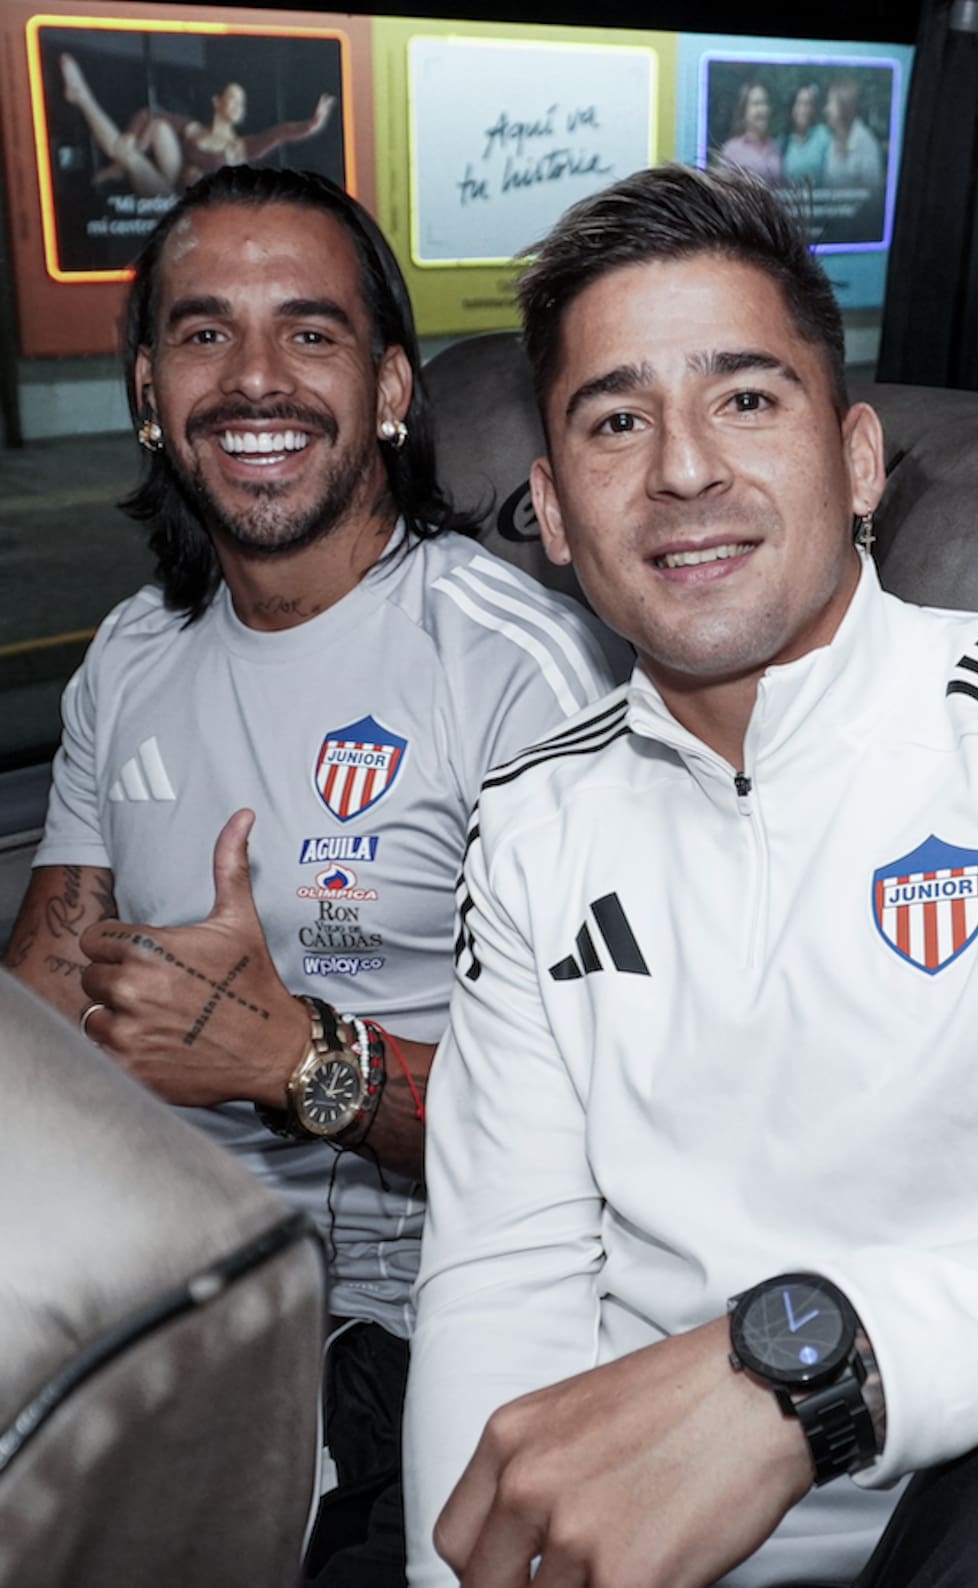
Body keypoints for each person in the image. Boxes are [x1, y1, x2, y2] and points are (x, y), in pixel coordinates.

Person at [403, 162, 978, 1587]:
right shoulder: (530, 822)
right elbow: (501, 1283)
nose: (684, 469)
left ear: (860, 459)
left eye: (747, 399)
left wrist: (815, 1371)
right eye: (617, 419)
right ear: (555, 511)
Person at [2, 163, 628, 1585]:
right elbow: (40, 1006)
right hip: (141, 1259)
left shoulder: (515, 672)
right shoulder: (131, 657)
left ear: (390, 387)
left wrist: (294, 1057)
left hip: (400, 1317)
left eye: (310, 331)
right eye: (204, 333)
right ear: (150, 393)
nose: (254, 379)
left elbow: (619, 1125)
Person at [60, 53, 336, 198]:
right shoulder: (194, 129)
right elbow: (150, 114)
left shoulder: (239, 148)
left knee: (128, 155)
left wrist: (311, 125)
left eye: (241, 104)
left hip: (181, 208)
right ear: (217, 102)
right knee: (159, 127)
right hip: (169, 185)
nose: (236, 106)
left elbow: (278, 134)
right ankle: (121, 163)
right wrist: (132, 134)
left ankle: (82, 98)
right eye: (232, 99)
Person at [822, 75, 884, 196]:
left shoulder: (866, 142)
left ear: (844, 106)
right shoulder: (832, 142)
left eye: (830, 103)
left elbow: (873, 192)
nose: (826, 109)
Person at [716, 81, 782, 187]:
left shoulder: (775, 147)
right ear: (744, 112)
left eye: (765, 103)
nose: (762, 109)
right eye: (756, 104)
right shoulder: (731, 150)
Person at [779, 82, 831, 188]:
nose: (804, 110)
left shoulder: (823, 135)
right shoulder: (782, 143)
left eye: (809, 104)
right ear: (792, 108)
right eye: (800, 104)